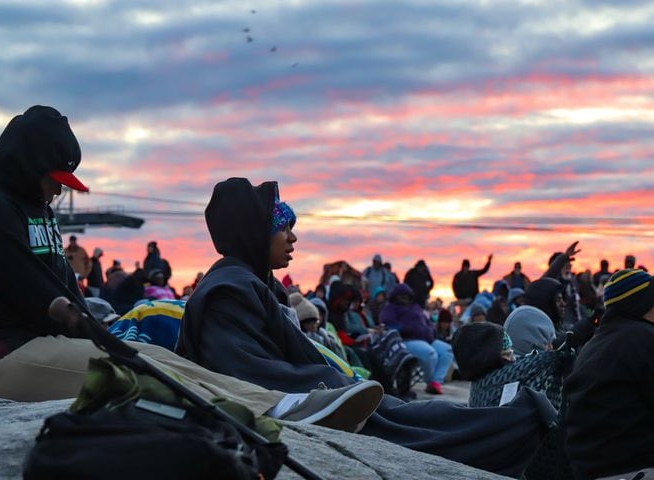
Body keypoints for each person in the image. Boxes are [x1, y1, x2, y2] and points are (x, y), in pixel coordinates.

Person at [0, 108, 382, 433]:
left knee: (152, 354)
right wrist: (94, 329)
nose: (61, 190)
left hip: (39, 341)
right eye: (56, 179)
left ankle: (279, 402)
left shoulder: (38, 206)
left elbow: (65, 285)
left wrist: (97, 325)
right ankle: (273, 410)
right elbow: (33, 291)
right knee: (138, 370)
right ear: (28, 163)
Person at [177, 178, 558, 478]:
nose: (293, 237)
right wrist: (330, 386)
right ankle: (516, 424)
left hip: (320, 389)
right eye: (281, 227)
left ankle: (516, 420)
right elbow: (245, 377)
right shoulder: (227, 291)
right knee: (408, 426)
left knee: (414, 414)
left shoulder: (255, 285)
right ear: (251, 232)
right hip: (308, 403)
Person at [565, 269, 654, 480]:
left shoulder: (596, 342)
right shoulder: (643, 339)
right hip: (631, 470)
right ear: (643, 303)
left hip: (589, 469)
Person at [379, 283, 454, 394]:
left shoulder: (416, 307)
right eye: (401, 296)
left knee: (447, 350)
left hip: (427, 339)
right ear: (395, 296)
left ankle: (435, 382)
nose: (404, 299)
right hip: (408, 340)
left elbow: (427, 322)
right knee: (430, 354)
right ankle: (430, 381)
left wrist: (431, 330)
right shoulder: (390, 308)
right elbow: (387, 323)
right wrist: (407, 328)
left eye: (406, 296)